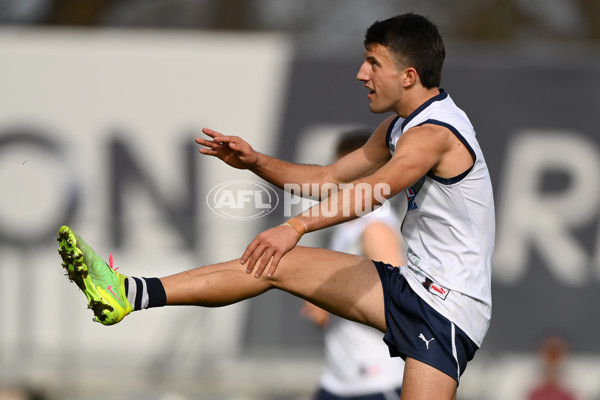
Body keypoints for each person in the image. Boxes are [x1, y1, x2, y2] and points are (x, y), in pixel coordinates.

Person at [57, 13, 495, 400]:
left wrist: (295, 226)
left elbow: (371, 192)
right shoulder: (400, 125)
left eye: (374, 63)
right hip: (412, 285)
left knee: (283, 247)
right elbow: (328, 179)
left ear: (408, 74)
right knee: (277, 263)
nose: (362, 73)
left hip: (448, 309)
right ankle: (128, 293)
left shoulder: (433, 133)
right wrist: (256, 162)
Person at [301, 131, 405, 400]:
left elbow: (399, 301)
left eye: (342, 170)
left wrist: (329, 297)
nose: (335, 179)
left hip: (375, 378)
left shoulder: (375, 227)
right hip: (341, 377)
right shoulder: (349, 223)